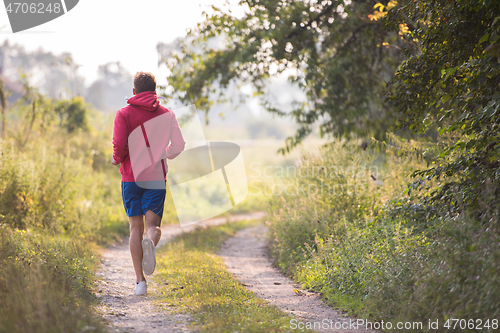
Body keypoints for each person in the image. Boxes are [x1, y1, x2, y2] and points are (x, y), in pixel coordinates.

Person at [111, 72, 185, 296]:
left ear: (134, 91)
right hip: (155, 178)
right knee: (152, 227)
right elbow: (179, 145)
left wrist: (117, 159)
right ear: (155, 90)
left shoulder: (123, 113)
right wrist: (165, 154)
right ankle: (150, 242)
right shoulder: (168, 114)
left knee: (135, 228)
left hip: (131, 177)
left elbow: (119, 145)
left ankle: (140, 283)